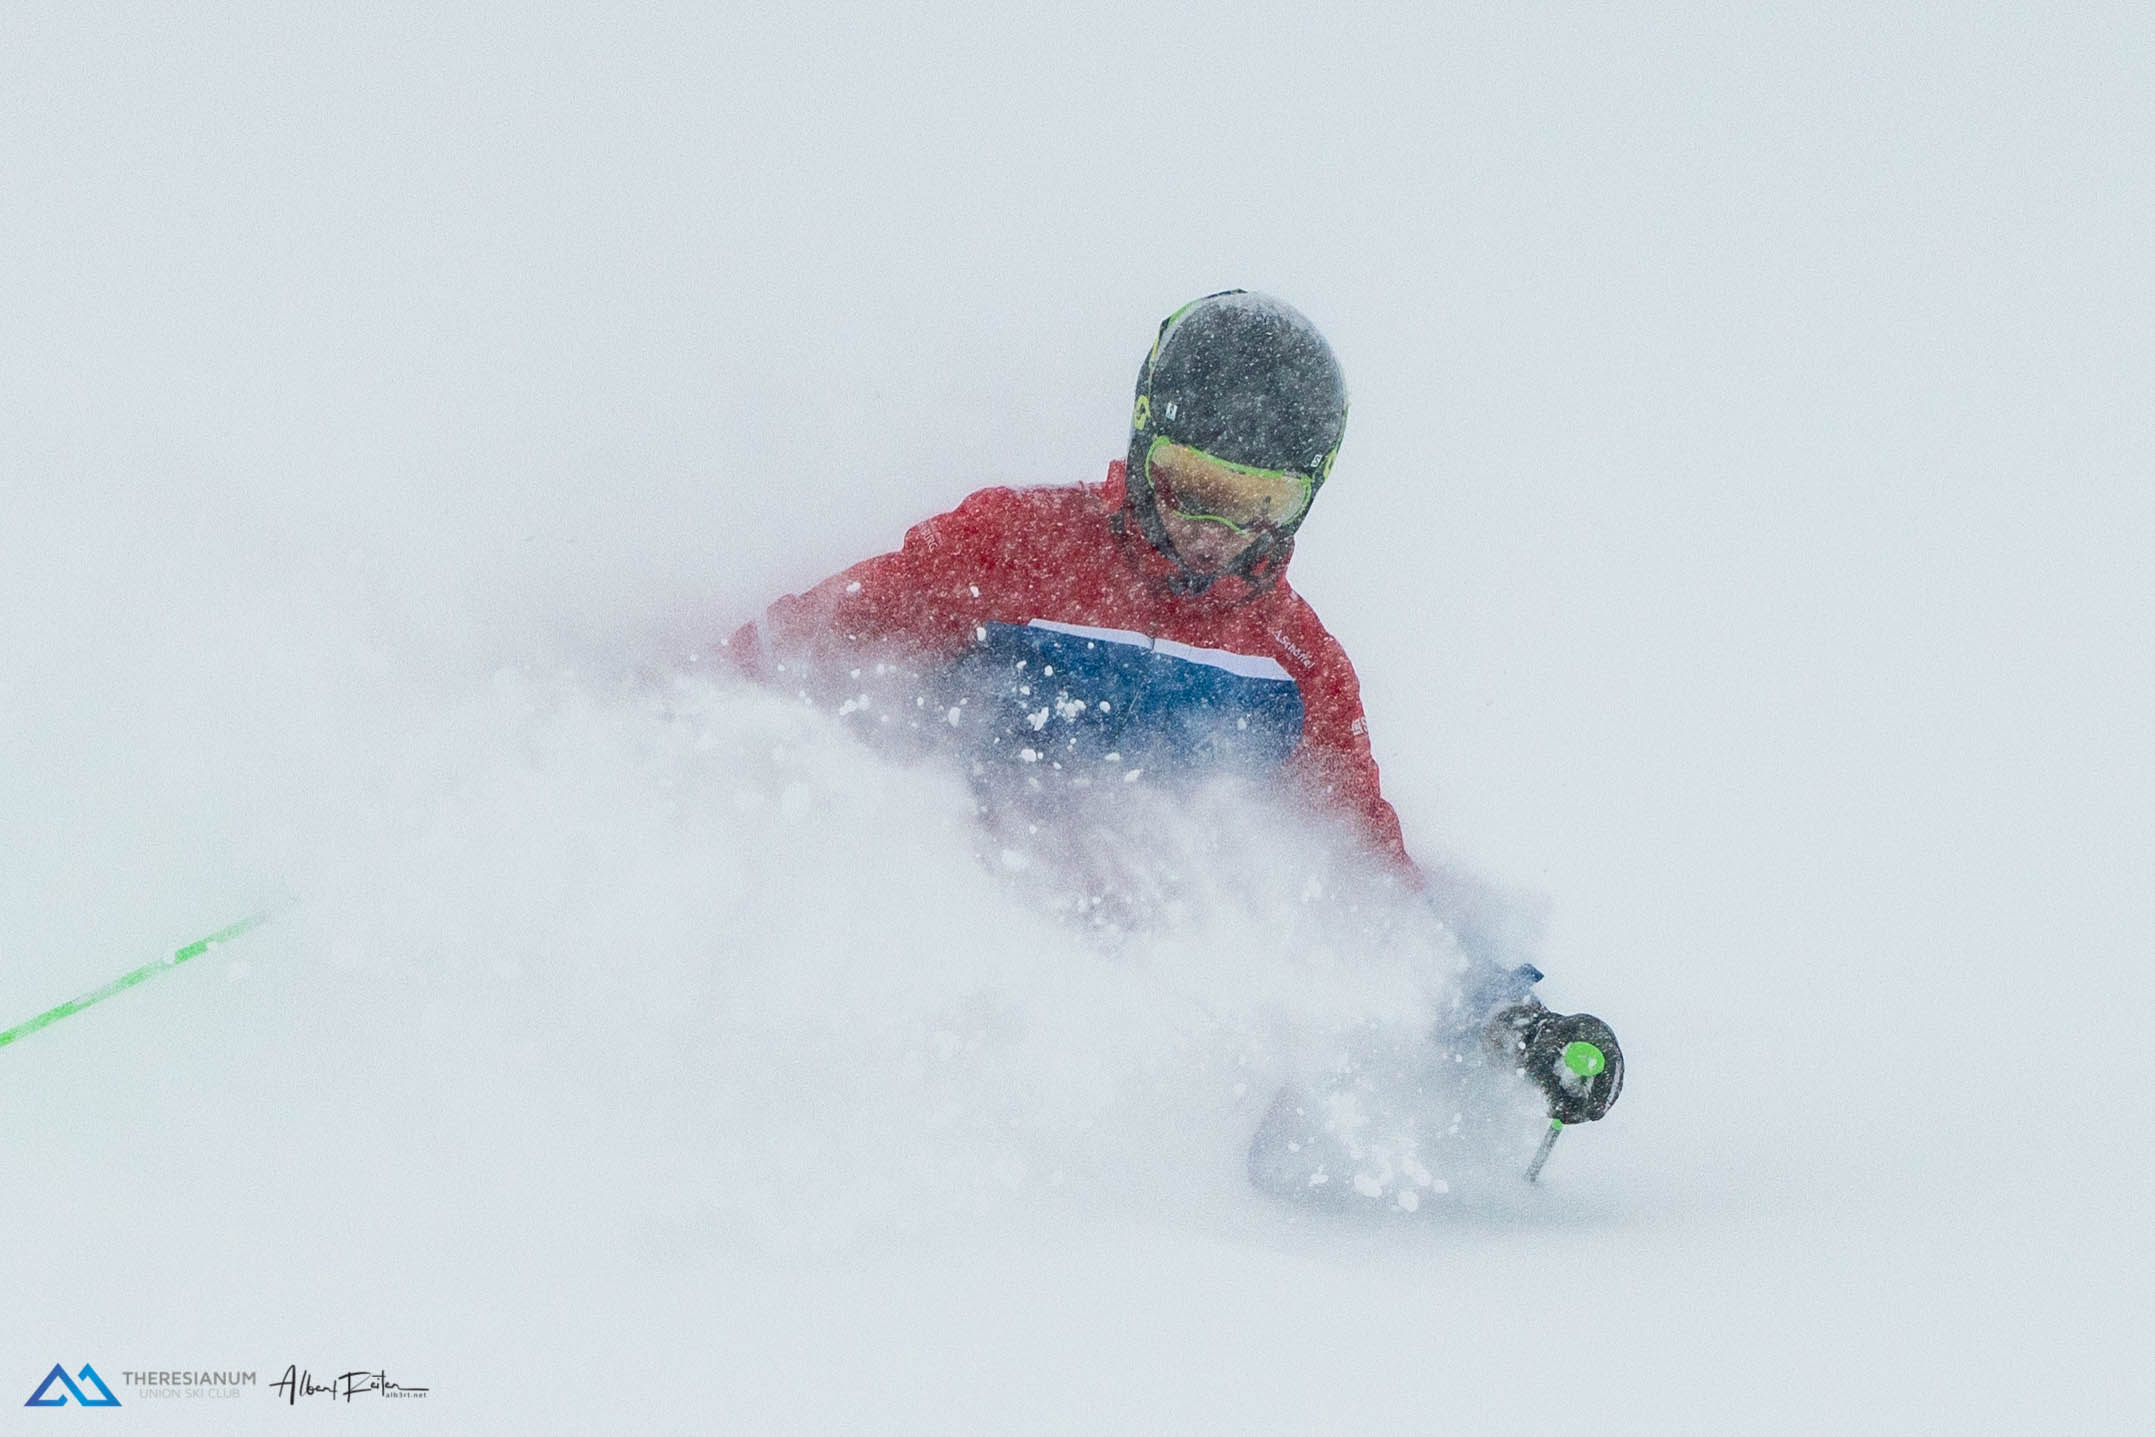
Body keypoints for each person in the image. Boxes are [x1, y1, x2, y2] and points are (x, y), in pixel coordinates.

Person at [727, 291, 1621, 1187]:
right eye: (1194, 484)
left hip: (1131, 1052)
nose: (1213, 531)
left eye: (1260, 501)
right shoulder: (1011, 550)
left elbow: (1366, 881)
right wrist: (689, 730)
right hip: (944, 968)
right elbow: (806, 647)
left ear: (1307, 495)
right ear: (1144, 438)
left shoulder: (1292, 667)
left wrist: (1511, 1020)